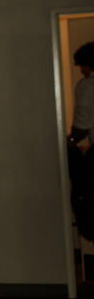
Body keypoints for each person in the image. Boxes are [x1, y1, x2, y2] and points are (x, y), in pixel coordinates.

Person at [69, 42, 94, 241]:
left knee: (85, 199)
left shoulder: (87, 87)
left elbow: (82, 125)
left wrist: (71, 140)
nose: (81, 70)